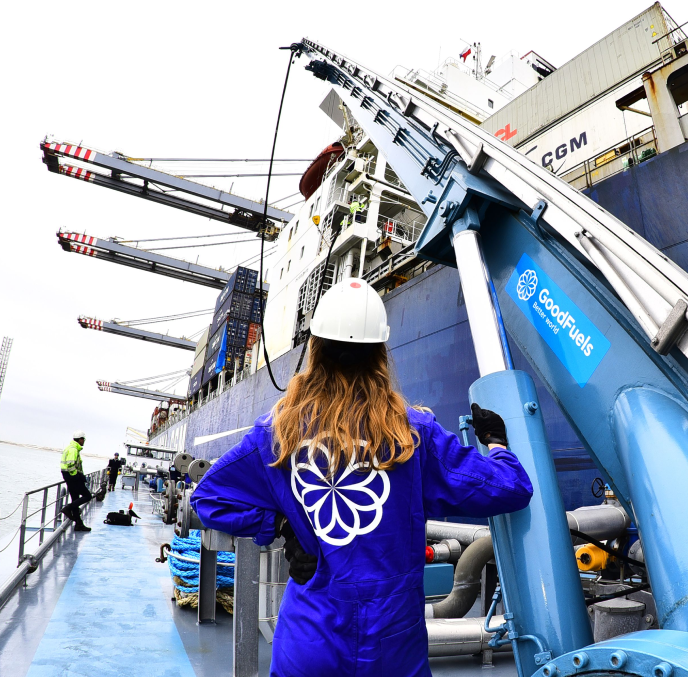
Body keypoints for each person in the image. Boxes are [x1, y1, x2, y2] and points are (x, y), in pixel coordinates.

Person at [191, 278, 533, 677]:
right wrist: (496, 444)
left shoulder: (276, 433)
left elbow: (208, 499)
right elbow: (511, 488)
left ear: (315, 347)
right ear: (379, 353)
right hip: (393, 645)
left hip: (310, 640)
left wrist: (282, 525)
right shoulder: (414, 434)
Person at [60, 430, 93, 532]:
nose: (84, 441)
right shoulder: (73, 449)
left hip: (68, 477)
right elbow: (71, 465)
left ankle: (78, 524)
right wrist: (78, 476)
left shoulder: (70, 448)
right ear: (80, 439)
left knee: (75, 499)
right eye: (83, 439)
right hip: (72, 478)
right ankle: (68, 508)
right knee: (88, 496)